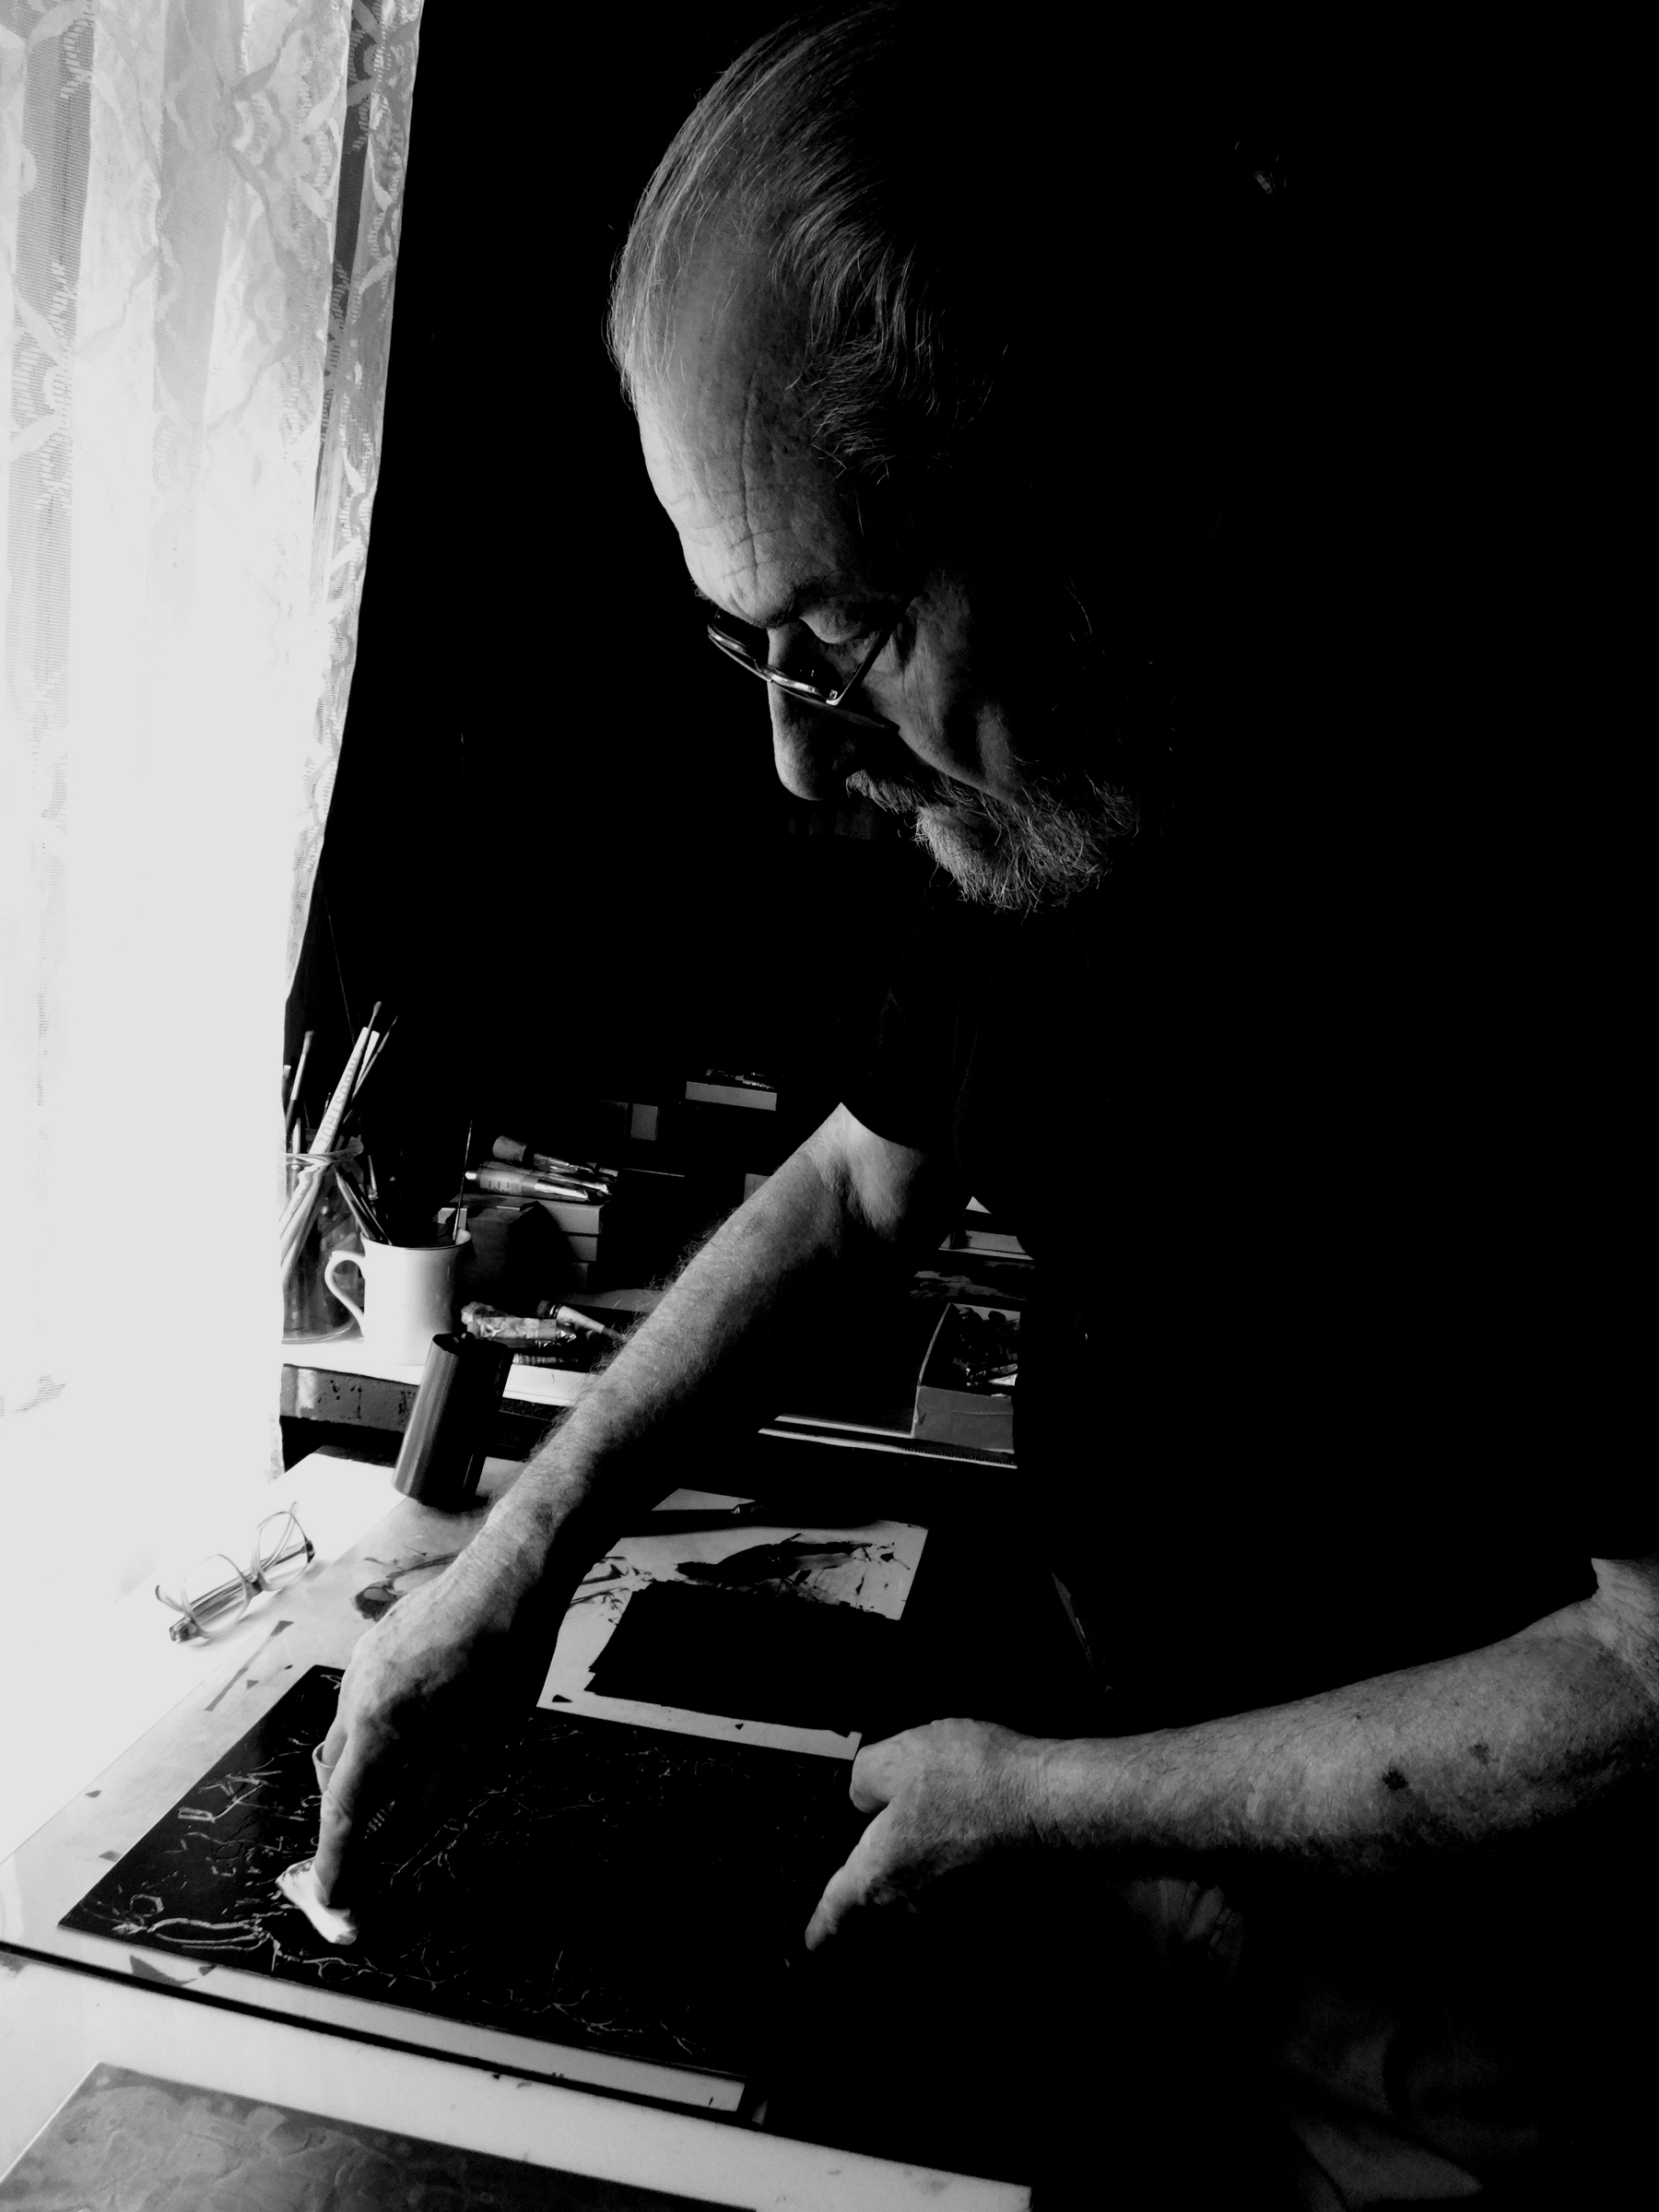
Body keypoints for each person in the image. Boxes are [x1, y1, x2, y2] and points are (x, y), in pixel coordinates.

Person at [313, 10, 1654, 2201]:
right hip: (1166, 1880)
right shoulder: (1029, 780)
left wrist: (1044, 1806)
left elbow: (1645, 1669)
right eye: (744, 642)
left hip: (1496, 2020)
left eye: (841, 632)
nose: (793, 760)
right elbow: (860, 1189)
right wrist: (520, 1560)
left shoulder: (1524, 840)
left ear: (1094, 506)